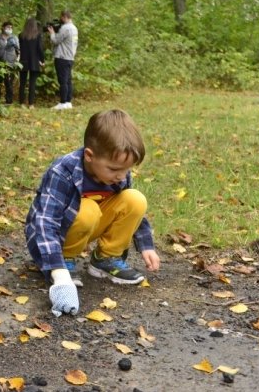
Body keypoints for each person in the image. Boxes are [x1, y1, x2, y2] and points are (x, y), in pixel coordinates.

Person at [24, 109, 160, 317]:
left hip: (91, 223)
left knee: (135, 198)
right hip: (56, 238)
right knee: (87, 209)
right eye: (114, 170)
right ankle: (65, 261)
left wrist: (146, 245)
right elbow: (45, 222)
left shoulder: (118, 174)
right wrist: (57, 270)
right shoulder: (63, 172)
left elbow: (129, 211)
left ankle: (106, 259)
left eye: (126, 170)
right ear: (89, 156)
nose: (121, 176)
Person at [47, 10, 78, 110]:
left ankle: (62, 102)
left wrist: (52, 33)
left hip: (62, 57)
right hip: (70, 57)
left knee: (63, 81)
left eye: (61, 17)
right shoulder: (74, 28)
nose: (60, 19)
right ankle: (68, 102)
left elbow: (56, 40)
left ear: (64, 17)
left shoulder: (65, 28)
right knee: (68, 80)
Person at [18, 17, 45, 107]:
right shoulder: (38, 35)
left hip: (23, 61)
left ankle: (21, 103)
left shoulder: (21, 35)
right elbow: (40, 49)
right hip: (34, 61)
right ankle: (31, 104)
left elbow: (19, 49)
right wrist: (42, 60)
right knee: (32, 83)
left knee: (22, 82)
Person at [0, 20, 20, 104]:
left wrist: (18, 57)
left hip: (10, 63)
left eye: (11, 27)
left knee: (9, 82)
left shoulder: (14, 38)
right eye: (8, 27)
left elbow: (19, 49)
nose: (9, 29)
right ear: (3, 28)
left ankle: (9, 101)